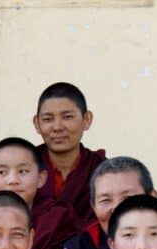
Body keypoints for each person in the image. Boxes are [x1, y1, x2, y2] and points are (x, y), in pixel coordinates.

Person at [33, 82, 107, 225]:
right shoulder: (24, 167)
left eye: (67, 117)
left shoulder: (102, 170)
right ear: (37, 123)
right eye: (48, 119)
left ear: (87, 119)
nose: (57, 127)